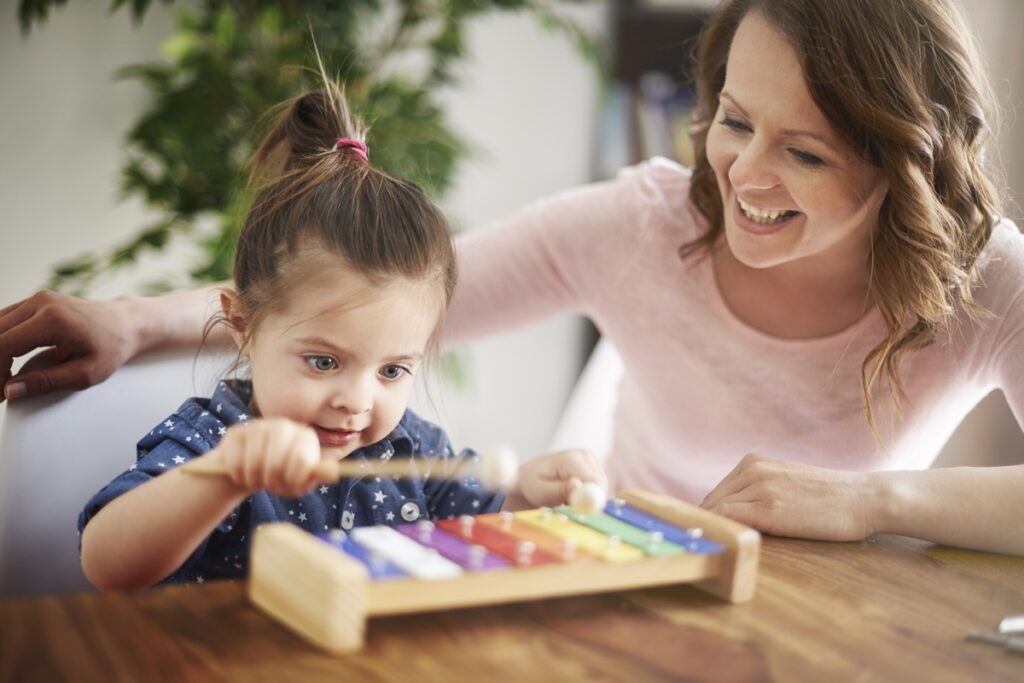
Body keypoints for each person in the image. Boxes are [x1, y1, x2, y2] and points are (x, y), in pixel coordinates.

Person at [2, 0, 1022, 556]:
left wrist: (875, 499)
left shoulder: (989, 280)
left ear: (906, 162)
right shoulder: (644, 222)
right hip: (627, 588)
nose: (744, 176)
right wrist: (135, 322)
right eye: (735, 121)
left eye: (803, 152)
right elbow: (365, 298)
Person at [74, 79, 605, 591]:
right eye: (324, 362)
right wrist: (223, 478)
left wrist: (523, 493)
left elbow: (483, 529)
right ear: (242, 326)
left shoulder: (412, 451)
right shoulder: (211, 442)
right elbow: (106, 562)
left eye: (392, 370)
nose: (357, 401)